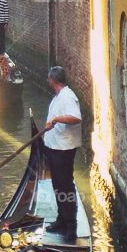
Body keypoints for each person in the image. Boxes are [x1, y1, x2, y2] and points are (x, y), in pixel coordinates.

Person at [43, 66, 82, 239]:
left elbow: (76, 118)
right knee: (58, 186)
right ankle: (61, 219)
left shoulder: (68, 96)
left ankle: (71, 227)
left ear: (52, 80)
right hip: (55, 148)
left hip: (63, 150)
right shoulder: (60, 96)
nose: (47, 81)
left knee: (66, 187)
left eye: (48, 79)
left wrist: (56, 119)